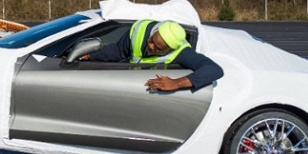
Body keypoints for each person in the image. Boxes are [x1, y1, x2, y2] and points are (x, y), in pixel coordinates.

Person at [88, 20, 223, 92]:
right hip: (128, 84)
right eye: (152, 40)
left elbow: (214, 69)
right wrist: (90, 56)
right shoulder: (140, 30)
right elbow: (118, 51)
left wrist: (176, 83)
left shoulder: (182, 52)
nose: (150, 47)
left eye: (158, 48)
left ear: (170, 49)